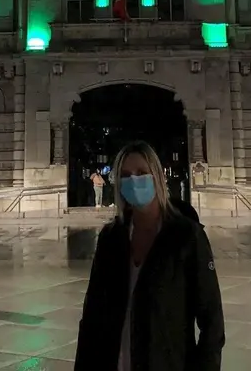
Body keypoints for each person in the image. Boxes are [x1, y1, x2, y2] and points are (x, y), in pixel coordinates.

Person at [74, 141, 224, 371]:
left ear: (157, 176)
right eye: (125, 175)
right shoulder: (111, 237)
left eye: (141, 173)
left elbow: (212, 323)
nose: (133, 180)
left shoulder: (187, 237)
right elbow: (92, 315)